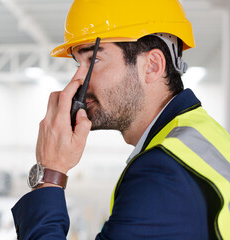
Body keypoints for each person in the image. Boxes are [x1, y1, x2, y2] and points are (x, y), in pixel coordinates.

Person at [12, 0, 230, 239]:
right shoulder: (201, 135)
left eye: (93, 60)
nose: (78, 79)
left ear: (152, 66)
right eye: (78, 64)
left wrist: (50, 173)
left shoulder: (162, 174)